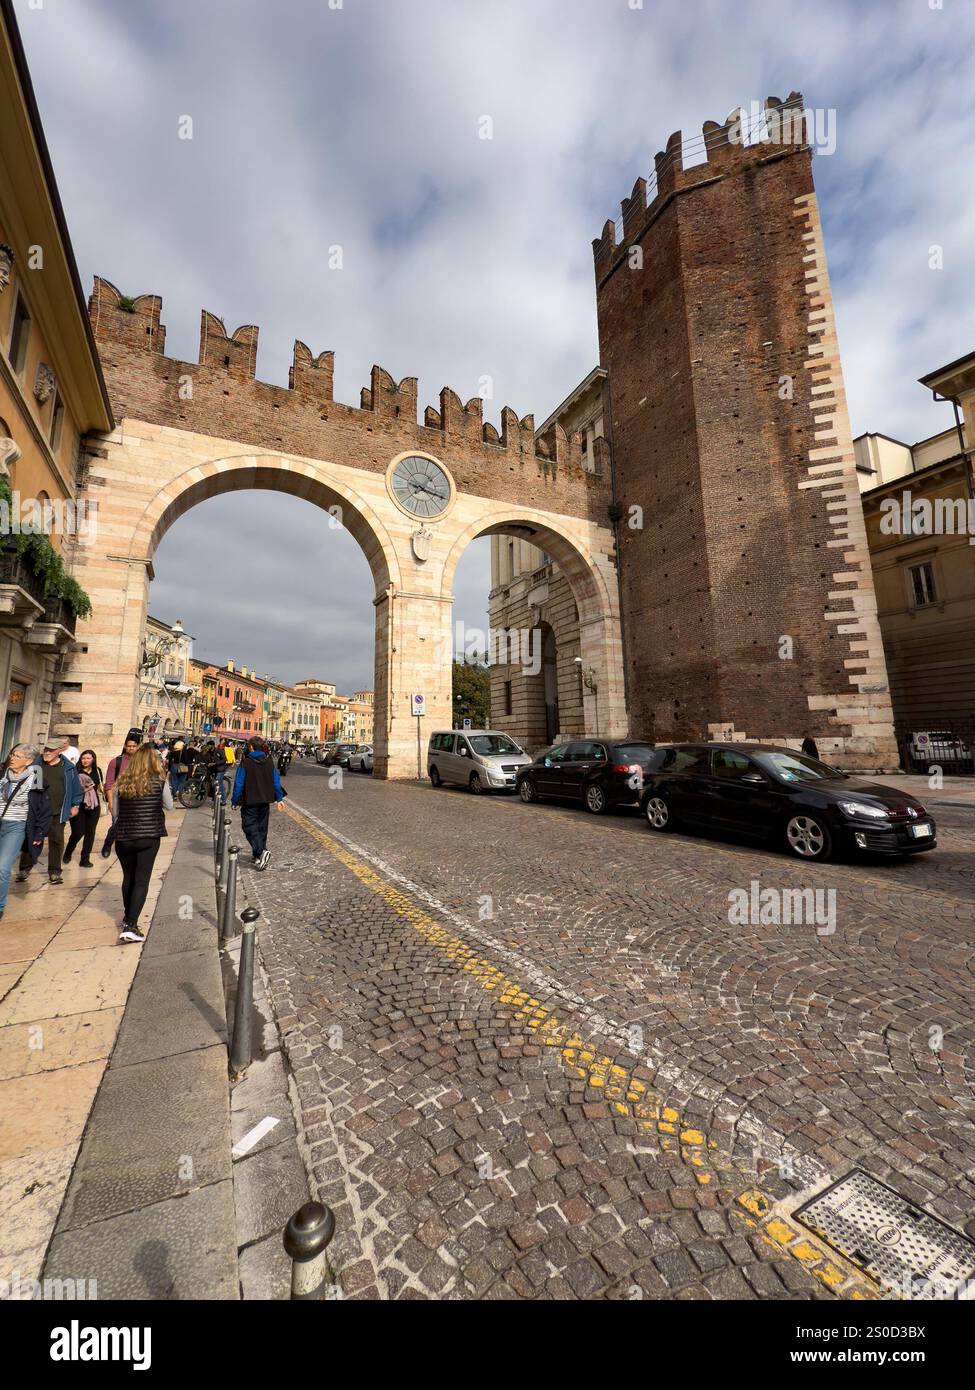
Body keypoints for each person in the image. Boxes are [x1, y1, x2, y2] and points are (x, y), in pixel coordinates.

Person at [112, 742, 173, 944]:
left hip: (124, 836)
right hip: (148, 835)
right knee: (141, 880)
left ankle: (127, 917)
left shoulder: (122, 781)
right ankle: (131, 924)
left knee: (128, 878)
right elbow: (169, 805)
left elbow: (115, 813)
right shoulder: (160, 780)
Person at [16, 738, 82, 886]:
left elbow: (76, 788)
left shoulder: (68, 767)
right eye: (46, 749)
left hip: (58, 811)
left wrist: (75, 804)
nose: (47, 753)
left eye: (51, 750)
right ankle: (24, 869)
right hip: (37, 811)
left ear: (60, 751)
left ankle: (54, 872)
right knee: (31, 839)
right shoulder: (36, 765)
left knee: (57, 841)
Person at [0, 743, 51, 921]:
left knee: (3, 868)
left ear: (28, 761)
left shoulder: (35, 778)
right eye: (12, 754)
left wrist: (39, 833)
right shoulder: (2, 773)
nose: (12, 758)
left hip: (15, 826)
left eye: (18, 756)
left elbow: (43, 809)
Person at [232, 735, 286, 871]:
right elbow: (276, 782)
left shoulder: (246, 763)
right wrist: (279, 798)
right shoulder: (269, 762)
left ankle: (261, 851)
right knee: (262, 828)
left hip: (249, 800)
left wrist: (235, 800)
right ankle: (258, 856)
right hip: (265, 800)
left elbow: (239, 783)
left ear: (250, 747)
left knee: (249, 826)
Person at [101, 732, 142, 858]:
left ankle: (129, 847)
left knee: (135, 824)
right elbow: (109, 783)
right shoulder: (116, 761)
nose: (131, 748)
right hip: (118, 796)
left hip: (136, 797)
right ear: (125, 746)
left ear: (138, 747)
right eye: (129, 746)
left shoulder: (142, 762)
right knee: (117, 823)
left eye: (134, 746)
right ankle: (108, 843)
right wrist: (110, 801)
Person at [63, 749, 103, 867]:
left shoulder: (97, 771)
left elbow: (99, 786)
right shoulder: (75, 771)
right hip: (78, 805)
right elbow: (69, 788)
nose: (85, 761)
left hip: (93, 806)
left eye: (88, 758)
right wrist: (83, 790)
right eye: (83, 758)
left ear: (93, 759)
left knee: (90, 833)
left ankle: (85, 859)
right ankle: (68, 851)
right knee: (78, 832)